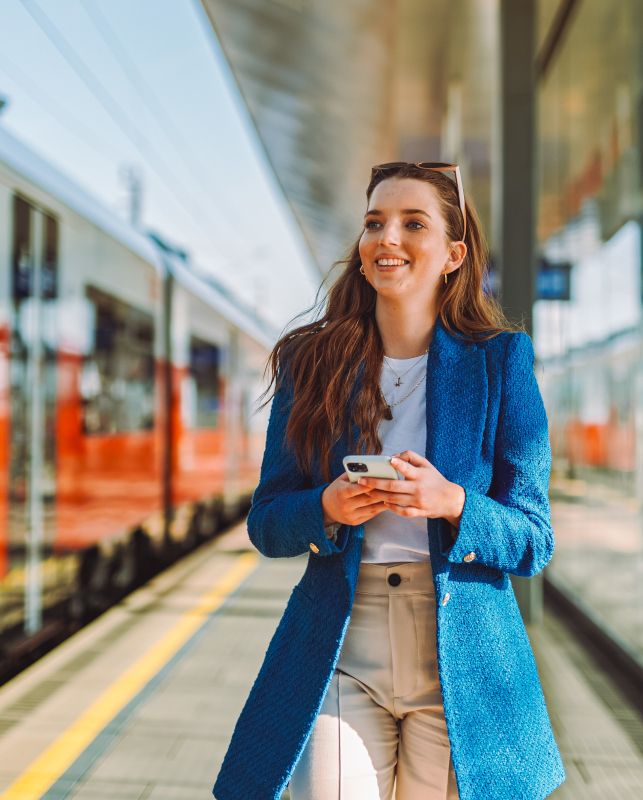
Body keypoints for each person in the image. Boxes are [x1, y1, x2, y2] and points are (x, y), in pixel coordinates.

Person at [213, 162, 566, 800]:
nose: (387, 238)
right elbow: (267, 521)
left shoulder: (500, 363)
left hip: (462, 657)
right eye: (375, 222)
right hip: (343, 643)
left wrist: (454, 502)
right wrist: (324, 506)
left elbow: (534, 538)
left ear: (454, 255)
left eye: (412, 224)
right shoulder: (311, 362)